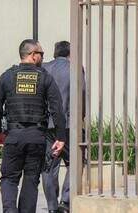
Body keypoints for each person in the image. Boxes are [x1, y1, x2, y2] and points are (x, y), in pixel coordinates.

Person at [0, 39, 66, 213]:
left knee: (9, 178)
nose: (42, 57)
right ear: (33, 55)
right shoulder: (45, 77)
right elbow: (57, 110)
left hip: (14, 136)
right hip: (36, 137)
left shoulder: (7, 76)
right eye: (41, 54)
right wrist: (61, 138)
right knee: (31, 179)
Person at [42, 41, 83, 213]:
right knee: (76, 162)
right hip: (69, 124)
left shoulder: (44, 68)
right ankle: (65, 202)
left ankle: (52, 206)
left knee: (49, 165)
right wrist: (81, 117)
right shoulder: (75, 68)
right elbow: (82, 95)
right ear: (70, 53)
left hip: (47, 124)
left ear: (54, 52)